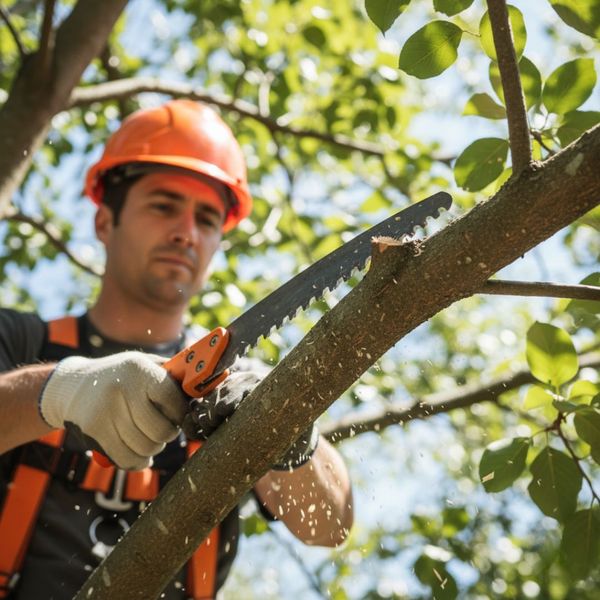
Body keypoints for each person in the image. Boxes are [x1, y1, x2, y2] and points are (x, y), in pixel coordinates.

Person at [0, 100, 353, 599]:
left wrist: (286, 430)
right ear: (105, 222)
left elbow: (328, 527)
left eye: (207, 219)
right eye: (163, 205)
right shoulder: (21, 344)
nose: (186, 233)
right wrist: (58, 391)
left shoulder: (238, 383)